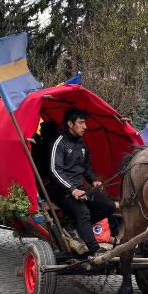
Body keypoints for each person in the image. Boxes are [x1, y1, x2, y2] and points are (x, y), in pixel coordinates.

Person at [49, 109, 117, 256]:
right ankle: (95, 250)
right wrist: (72, 189)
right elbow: (55, 171)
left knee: (110, 206)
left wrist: (94, 181)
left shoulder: (82, 144)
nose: (85, 126)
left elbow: (86, 168)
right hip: (60, 191)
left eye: (85, 122)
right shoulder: (59, 143)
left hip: (80, 188)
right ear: (70, 124)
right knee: (83, 212)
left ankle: (77, 226)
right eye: (81, 122)